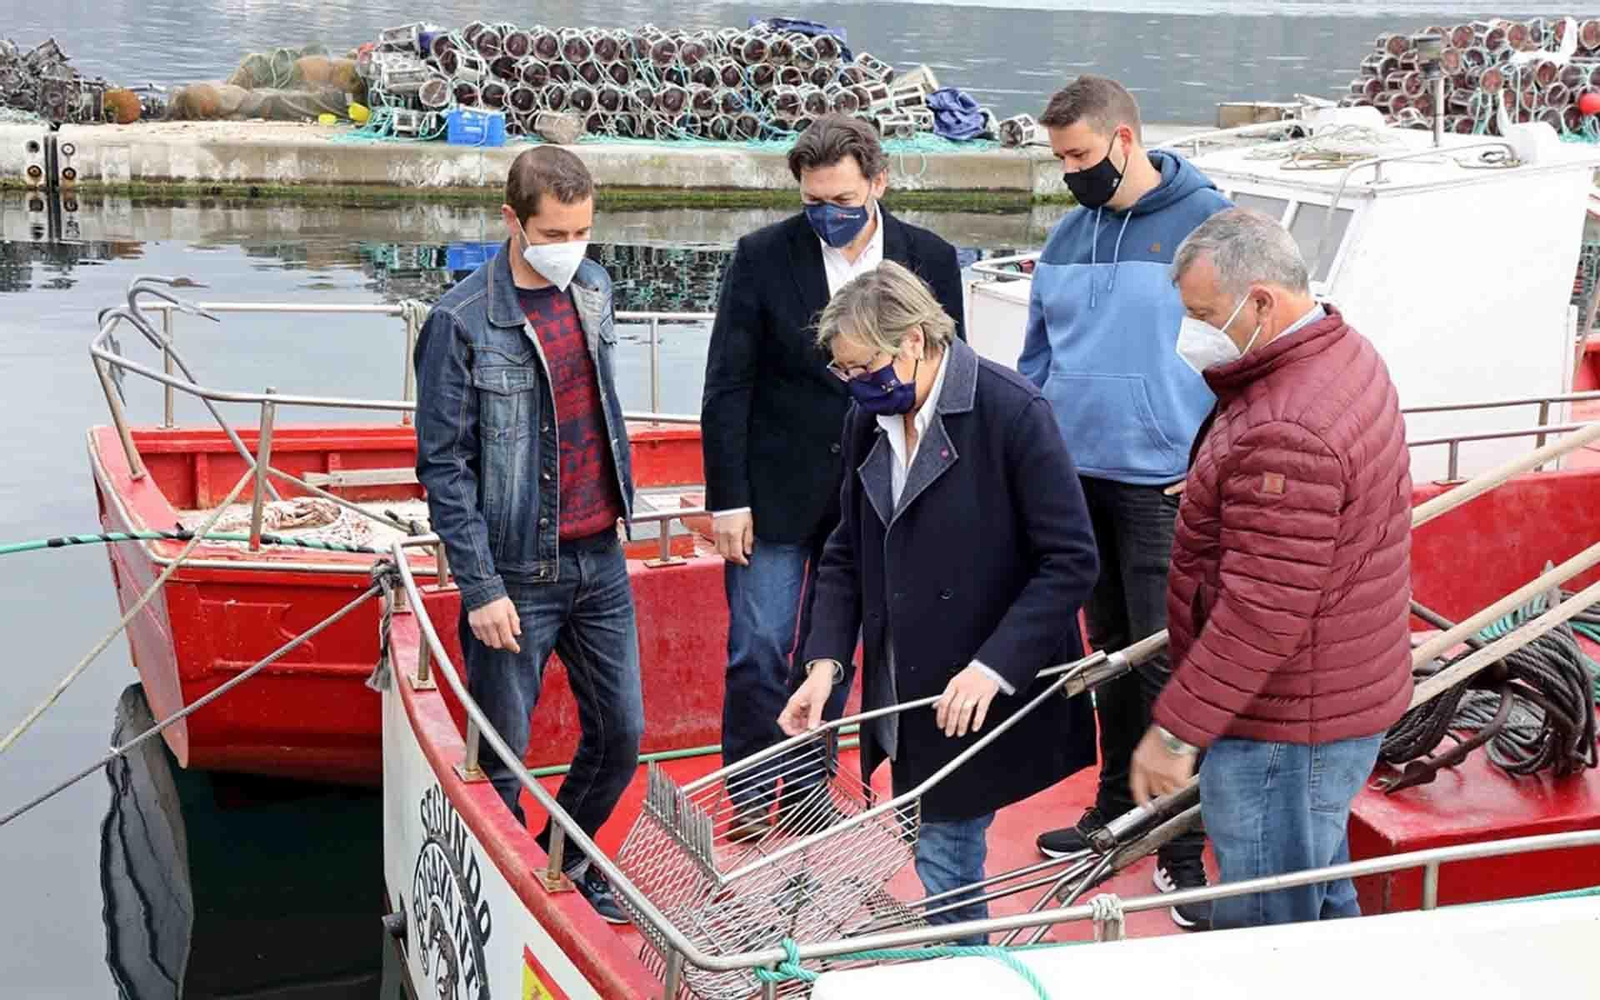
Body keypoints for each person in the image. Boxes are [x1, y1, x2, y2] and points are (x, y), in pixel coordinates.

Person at [780, 261, 1100, 943]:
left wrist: (993, 667)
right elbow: (846, 550)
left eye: (865, 369)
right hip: (904, 686)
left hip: (978, 683)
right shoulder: (871, 419)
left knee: (946, 854)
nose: (856, 386)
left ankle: (961, 969)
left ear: (917, 341)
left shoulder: (1016, 414)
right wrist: (825, 665)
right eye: (845, 374)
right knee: (926, 836)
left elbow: (1071, 560)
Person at [1130, 207, 1414, 930]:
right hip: (1337, 692)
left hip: (1288, 723)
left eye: (1202, 314)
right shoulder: (1343, 354)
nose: (1188, 334)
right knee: (1316, 884)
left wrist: (1176, 734)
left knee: (1266, 918)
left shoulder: (1288, 426)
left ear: (1261, 300)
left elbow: (1263, 610)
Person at [702, 114, 967, 841]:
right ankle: (753, 794)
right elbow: (728, 382)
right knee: (757, 648)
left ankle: (814, 791)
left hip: (881, 490)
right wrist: (728, 498)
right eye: (814, 202)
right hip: (777, 492)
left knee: (838, 650)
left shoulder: (930, 257)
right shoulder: (761, 256)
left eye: (844, 201)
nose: (828, 216)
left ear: (878, 183)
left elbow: (952, 382)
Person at [1021, 75, 1231, 929]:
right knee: (1107, 652)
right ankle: (1113, 810)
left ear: (1125, 138)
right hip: (1078, 479)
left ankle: (1181, 850)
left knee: (1166, 660)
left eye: (1078, 155)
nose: (1068, 172)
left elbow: (1259, 348)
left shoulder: (1209, 224)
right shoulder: (1070, 233)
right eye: (1059, 158)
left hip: (1163, 485)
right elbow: (1038, 360)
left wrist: (1215, 454)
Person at [413, 146, 640, 925]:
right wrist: (480, 588)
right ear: (511, 221)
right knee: (500, 756)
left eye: (582, 229)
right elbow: (443, 466)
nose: (571, 246)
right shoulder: (459, 321)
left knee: (622, 736)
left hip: (601, 557)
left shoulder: (598, 287)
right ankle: (511, 909)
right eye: (555, 230)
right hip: (516, 571)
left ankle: (567, 861)